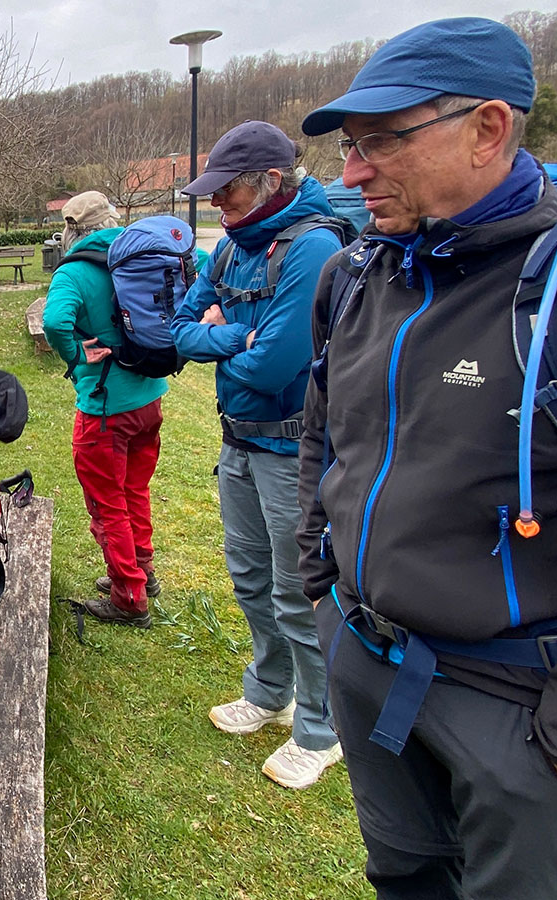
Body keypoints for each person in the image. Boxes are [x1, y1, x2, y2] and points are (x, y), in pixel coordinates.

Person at [297, 18, 557, 897]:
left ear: (489, 128)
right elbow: (326, 434)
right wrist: (323, 589)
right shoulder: (353, 277)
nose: (351, 174)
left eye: (382, 141)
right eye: (350, 148)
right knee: (405, 877)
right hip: (364, 658)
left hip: (519, 705)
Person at [169, 121, 347, 789]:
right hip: (238, 442)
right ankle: (270, 692)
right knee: (248, 575)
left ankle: (320, 728)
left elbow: (276, 365)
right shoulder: (229, 250)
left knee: (297, 588)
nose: (217, 206)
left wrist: (228, 338)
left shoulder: (313, 248)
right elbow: (179, 331)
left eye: (227, 193)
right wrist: (234, 338)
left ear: (270, 182)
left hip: (292, 449)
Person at [40, 191, 167, 627]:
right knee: (135, 488)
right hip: (150, 397)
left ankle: (128, 596)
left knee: (106, 501)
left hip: (106, 409)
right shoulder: (144, 252)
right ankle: (142, 569)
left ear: (73, 229)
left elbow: (55, 322)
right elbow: (200, 266)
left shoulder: (74, 271)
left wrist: (76, 355)